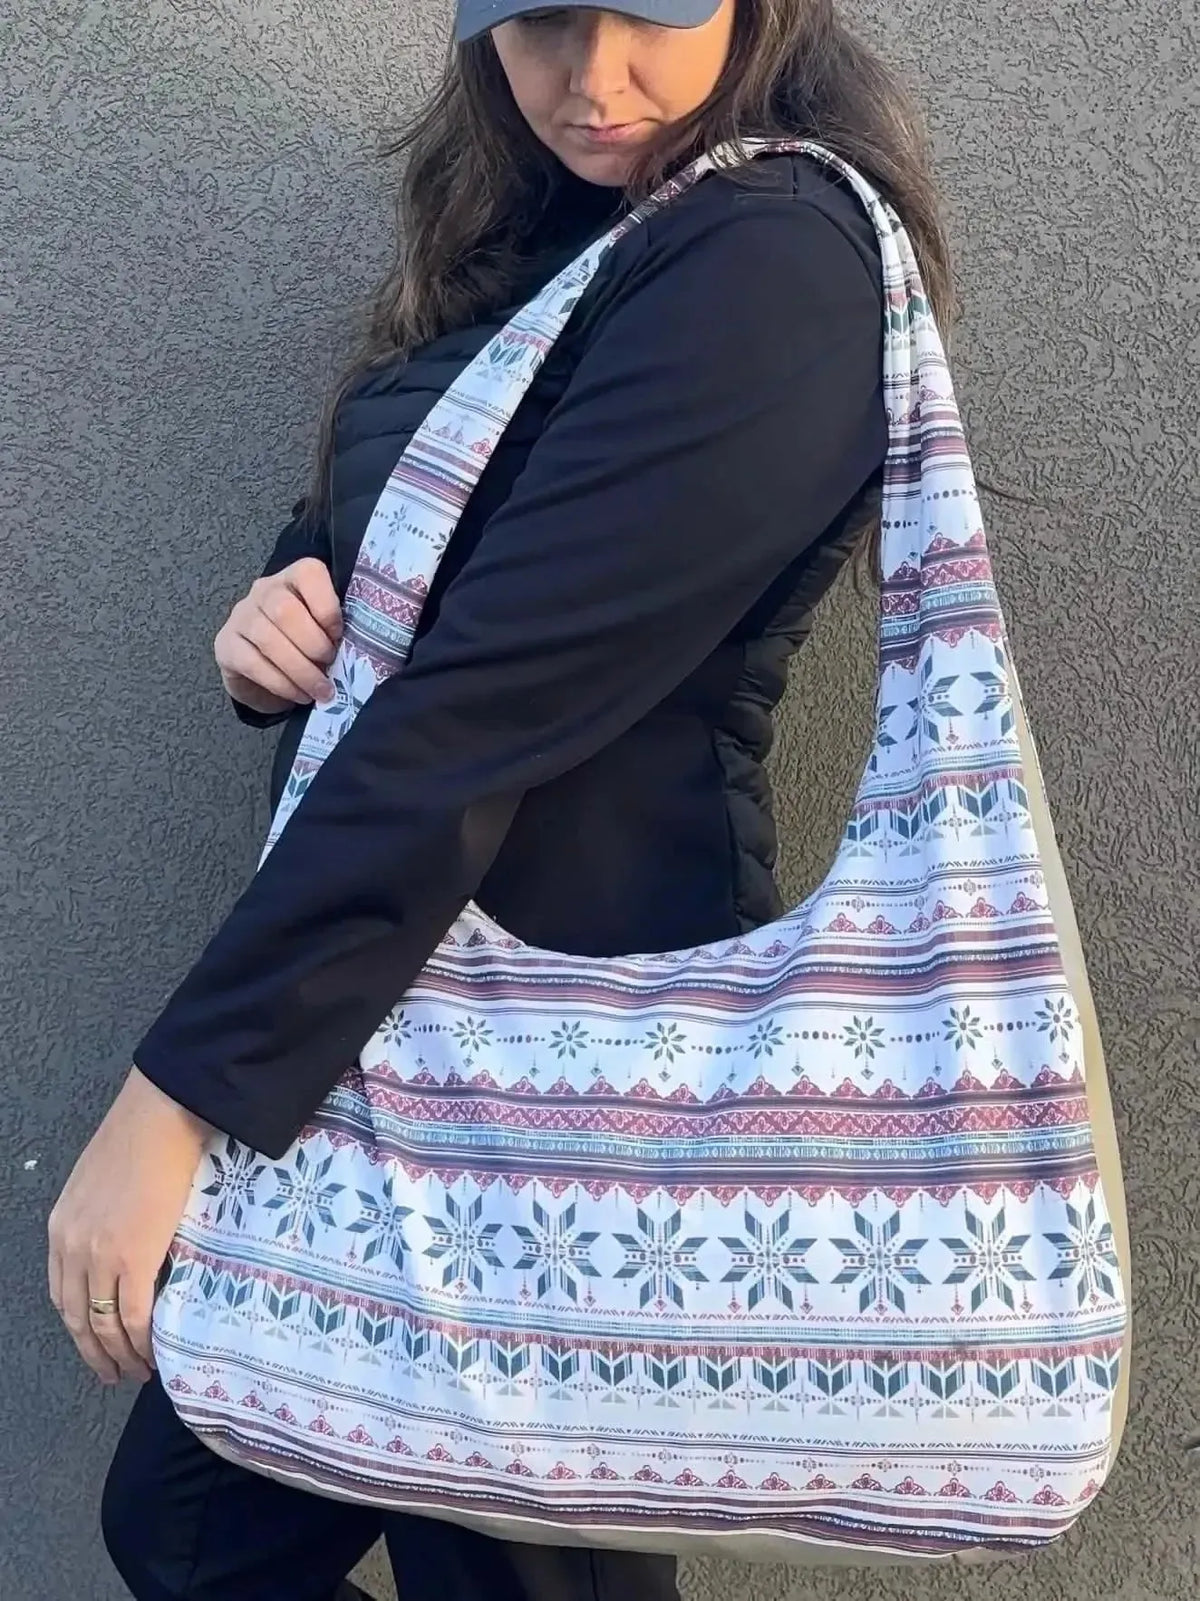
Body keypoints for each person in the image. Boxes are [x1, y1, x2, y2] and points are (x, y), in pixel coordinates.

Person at [49, 3, 955, 1597]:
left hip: (571, 1079)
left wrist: (174, 1096)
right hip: (378, 1043)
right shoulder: (523, 241)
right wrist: (286, 612)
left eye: (646, 16)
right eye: (541, 23)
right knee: (190, 1524)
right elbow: (393, 545)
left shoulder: (773, 255)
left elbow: (483, 711)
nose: (591, 77)